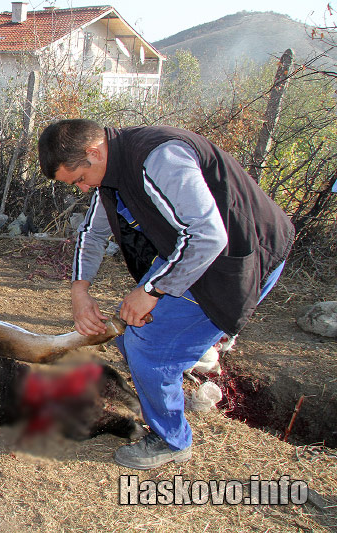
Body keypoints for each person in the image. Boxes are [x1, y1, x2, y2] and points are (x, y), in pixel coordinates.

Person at [37, 119, 295, 470]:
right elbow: (91, 234)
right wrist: (79, 292)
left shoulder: (159, 157)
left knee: (150, 347)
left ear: (93, 152)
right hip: (193, 254)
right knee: (126, 329)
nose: (82, 189)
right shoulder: (110, 173)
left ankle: (172, 439)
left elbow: (207, 235)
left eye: (80, 179)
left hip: (240, 257)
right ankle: (170, 388)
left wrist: (152, 289)